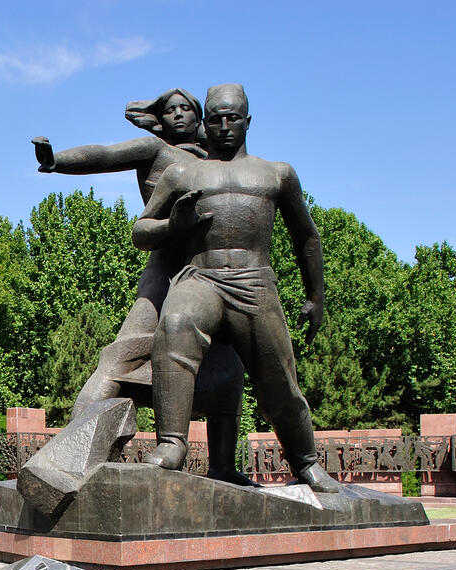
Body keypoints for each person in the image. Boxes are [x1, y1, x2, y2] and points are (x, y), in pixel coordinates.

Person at [33, 87, 255, 486]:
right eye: (171, 110)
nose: (180, 115)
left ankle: (222, 465)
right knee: (123, 355)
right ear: (159, 119)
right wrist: (56, 161)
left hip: (213, 273)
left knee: (227, 366)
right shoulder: (156, 150)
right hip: (165, 270)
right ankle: (72, 452)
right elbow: (105, 155)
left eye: (187, 109)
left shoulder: (218, 161)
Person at [133, 84, 341, 492]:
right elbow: (141, 231)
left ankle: (306, 461)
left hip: (254, 283)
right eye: (216, 119)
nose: (225, 126)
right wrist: (174, 225)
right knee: (175, 325)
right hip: (201, 277)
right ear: (205, 123)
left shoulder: (277, 173)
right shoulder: (181, 173)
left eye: (233, 118)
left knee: (279, 380)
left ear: (248, 121)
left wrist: (316, 297)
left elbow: (306, 237)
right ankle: (172, 443)